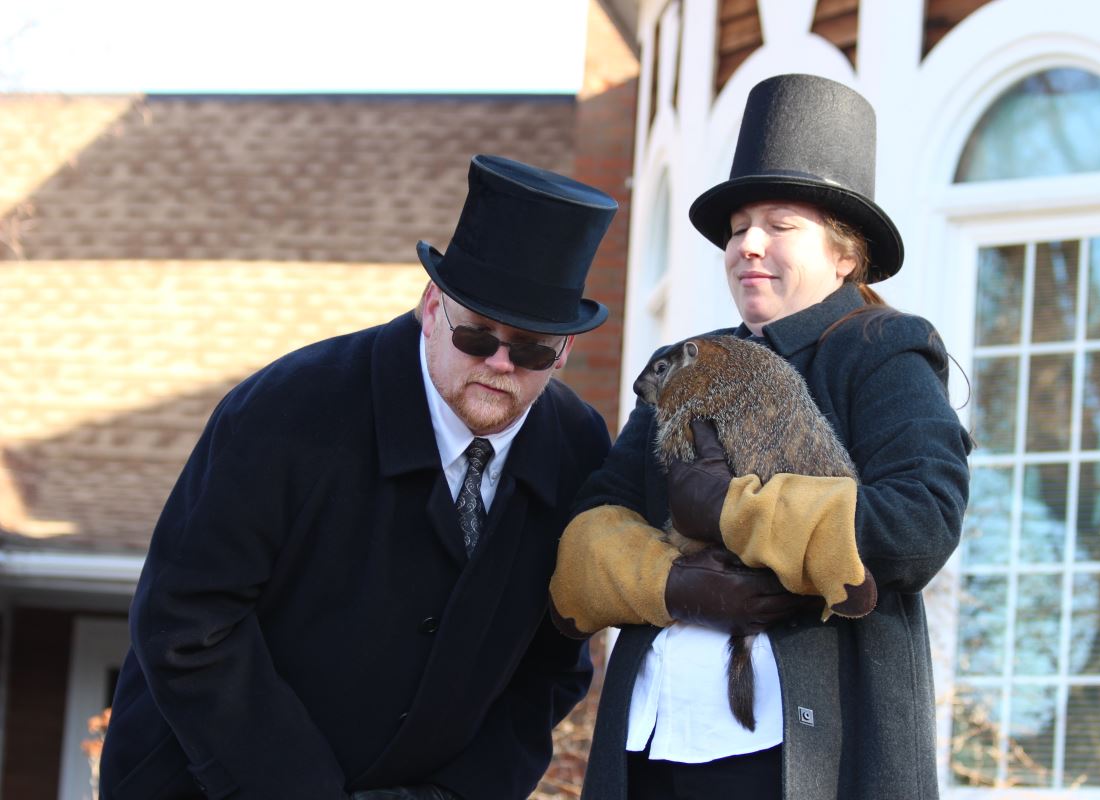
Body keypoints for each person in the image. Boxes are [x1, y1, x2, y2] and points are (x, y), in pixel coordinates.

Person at [99, 154, 618, 800]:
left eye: (534, 348)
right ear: (432, 308)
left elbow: (551, 666)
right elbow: (185, 622)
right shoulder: (288, 411)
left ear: (564, 352)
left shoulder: (578, 450)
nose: (501, 364)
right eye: (478, 337)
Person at [549, 74, 973, 799]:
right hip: (653, 743)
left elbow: (920, 521)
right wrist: (676, 583)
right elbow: (592, 527)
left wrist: (732, 511)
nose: (748, 244)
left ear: (844, 256)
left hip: (798, 756)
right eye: (740, 226)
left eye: (779, 226)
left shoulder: (882, 349)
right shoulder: (686, 364)